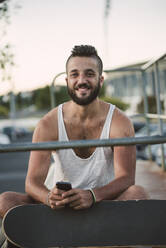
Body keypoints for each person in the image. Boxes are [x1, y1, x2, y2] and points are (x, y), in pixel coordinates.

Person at [0, 45, 148, 247]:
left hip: (103, 205)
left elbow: (126, 178)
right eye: (75, 74)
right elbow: (32, 182)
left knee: (138, 194)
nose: (82, 80)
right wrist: (49, 198)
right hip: (60, 209)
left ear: (100, 80)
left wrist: (93, 196)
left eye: (89, 74)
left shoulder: (119, 121)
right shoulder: (48, 123)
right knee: (6, 201)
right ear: (67, 80)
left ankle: (98, 238)